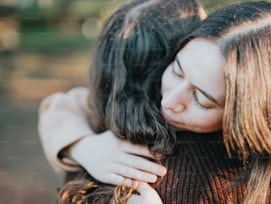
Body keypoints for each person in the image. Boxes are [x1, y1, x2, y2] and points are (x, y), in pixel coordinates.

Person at [39, 0, 271, 203]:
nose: (168, 101)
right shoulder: (132, 103)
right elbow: (65, 104)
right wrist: (84, 146)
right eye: (176, 69)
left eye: (202, 99)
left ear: (250, 116)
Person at [40, 0, 206, 203]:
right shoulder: (209, 168)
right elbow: (59, 105)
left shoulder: (106, 118)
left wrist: (81, 146)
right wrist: (84, 146)